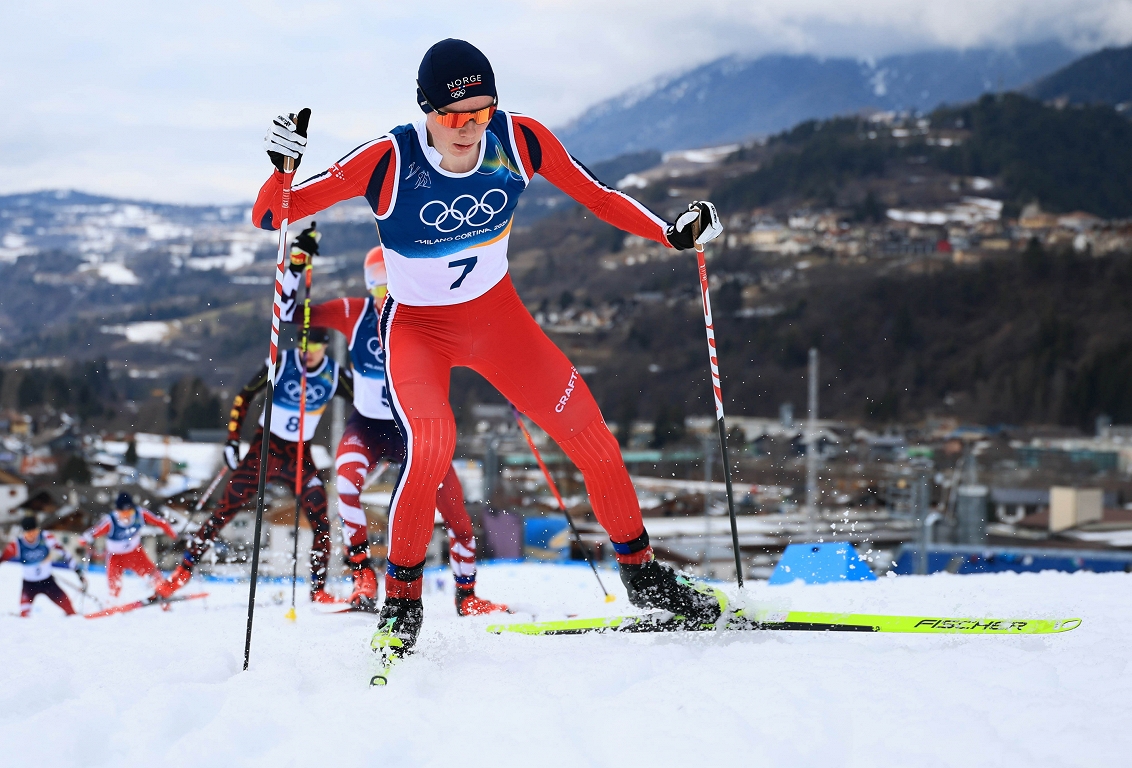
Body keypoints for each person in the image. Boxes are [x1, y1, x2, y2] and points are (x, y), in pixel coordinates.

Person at [254, 38, 725, 651]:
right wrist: (281, 169)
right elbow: (274, 215)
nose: (470, 129)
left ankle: (643, 576)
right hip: (418, 330)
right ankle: (401, 603)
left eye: (481, 112)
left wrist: (670, 234)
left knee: (592, 436)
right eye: (454, 117)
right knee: (432, 445)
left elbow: (598, 195)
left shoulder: (519, 141)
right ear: (427, 110)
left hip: (498, 321)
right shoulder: (387, 161)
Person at [281, 228, 508, 615]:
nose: (384, 297)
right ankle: (362, 577)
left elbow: (473, 332)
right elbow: (291, 315)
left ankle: (467, 596)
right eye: (377, 289)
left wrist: (495, 358)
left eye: (392, 287)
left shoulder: (426, 312)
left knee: (456, 516)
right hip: (368, 427)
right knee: (346, 483)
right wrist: (296, 266)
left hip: (416, 431)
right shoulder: (354, 314)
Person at [156, 328, 353, 603]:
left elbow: (365, 405)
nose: (306, 353)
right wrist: (232, 440)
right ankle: (181, 574)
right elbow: (244, 396)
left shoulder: (334, 375)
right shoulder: (283, 363)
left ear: (325, 346)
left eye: (313, 347)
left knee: (321, 518)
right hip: (264, 451)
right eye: (302, 346)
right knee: (223, 511)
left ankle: (318, 590)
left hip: (298, 457)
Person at [80, 492, 177, 598]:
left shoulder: (140, 514)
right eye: (123, 513)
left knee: (154, 576)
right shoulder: (110, 521)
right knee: (114, 587)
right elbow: (92, 532)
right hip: (115, 557)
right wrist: (84, 540)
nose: (127, 516)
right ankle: (113, 603)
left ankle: (164, 594)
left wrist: (173, 534)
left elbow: (160, 522)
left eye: (129, 512)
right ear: (117, 511)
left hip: (135, 553)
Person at [1, 515, 81, 617]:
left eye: (34, 532)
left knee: (71, 612)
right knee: (24, 616)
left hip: (48, 582)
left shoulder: (46, 537)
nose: (32, 536)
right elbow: (2, 558)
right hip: (29, 585)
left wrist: (78, 571)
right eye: (28, 533)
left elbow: (64, 553)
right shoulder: (17, 544)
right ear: (23, 532)